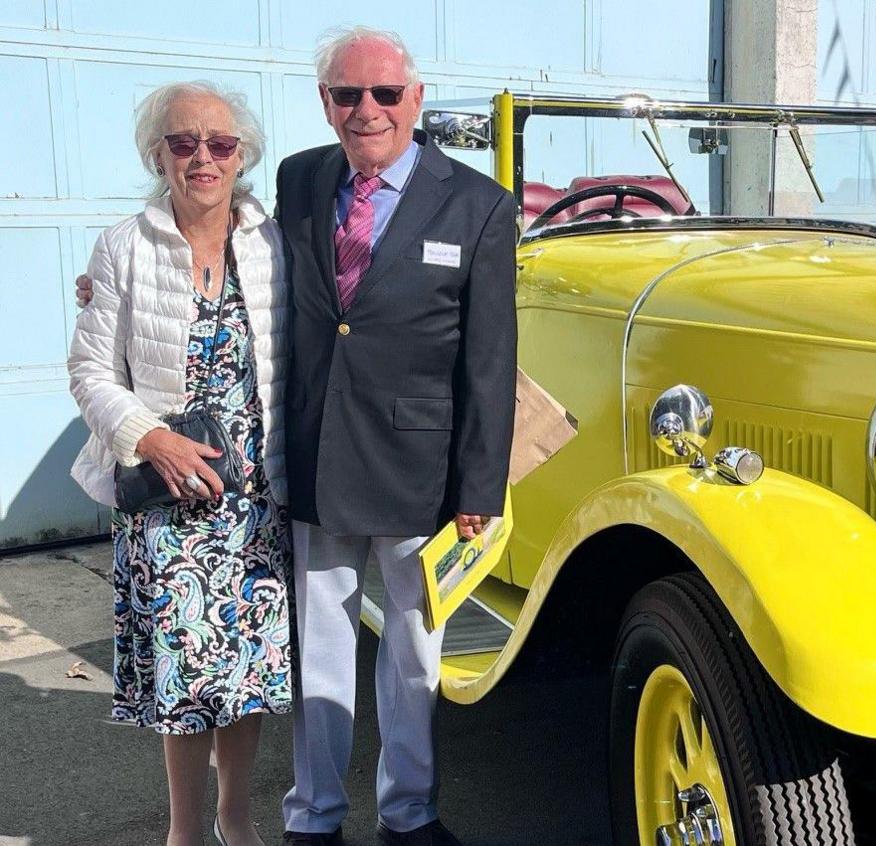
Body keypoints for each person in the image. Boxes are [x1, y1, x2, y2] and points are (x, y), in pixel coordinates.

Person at [275, 27, 516, 846]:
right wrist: (119, 273)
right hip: (319, 456)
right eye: (348, 95)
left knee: (413, 651)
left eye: (384, 94)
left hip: (422, 466)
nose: (366, 110)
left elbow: (489, 360)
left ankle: (408, 814)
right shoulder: (299, 179)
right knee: (321, 645)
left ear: (417, 100)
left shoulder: (479, 205)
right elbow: (230, 252)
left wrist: (479, 487)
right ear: (326, 105)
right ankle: (314, 816)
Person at [67, 81, 291, 846]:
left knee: (247, 672)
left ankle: (238, 816)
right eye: (183, 143)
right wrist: (145, 435)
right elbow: (90, 370)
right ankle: (186, 831)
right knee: (188, 677)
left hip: (253, 501)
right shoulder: (123, 245)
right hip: (167, 503)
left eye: (220, 144)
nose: (203, 157)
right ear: (158, 155)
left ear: (243, 155)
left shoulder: (272, 244)